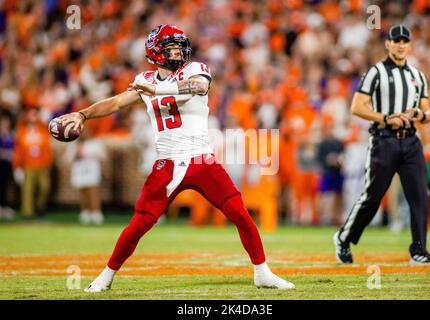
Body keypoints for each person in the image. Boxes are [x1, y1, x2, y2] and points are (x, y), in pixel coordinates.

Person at [59, 24, 294, 292]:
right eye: (171, 48)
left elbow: (200, 87)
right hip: (167, 162)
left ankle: (262, 272)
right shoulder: (144, 81)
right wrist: (83, 114)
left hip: (201, 160)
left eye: (180, 47)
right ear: (155, 52)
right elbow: (114, 103)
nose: (178, 53)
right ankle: (106, 276)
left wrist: (156, 91)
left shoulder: (194, 70)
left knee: (240, 213)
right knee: (139, 224)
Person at [333, 25, 430, 265]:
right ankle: (344, 237)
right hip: (384, 140)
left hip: (411, 140)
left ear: (410, 45)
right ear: (387, 44)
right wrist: (385, 118)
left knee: (420, 194)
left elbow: (427, 111)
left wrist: (419, 116)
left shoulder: (417, 75)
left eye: (405, 41)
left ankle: (419, 250)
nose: (401, 44)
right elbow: (357, 107)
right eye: (396, 40)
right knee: (373, 196)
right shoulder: (376, 72)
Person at [12, 107, 53, 219]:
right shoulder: (22, 131)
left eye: (35, 114)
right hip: (27, 165)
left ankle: (40, 207)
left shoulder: (42, 130)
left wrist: (48, 163)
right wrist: (17, 166)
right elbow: (18, 150)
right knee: (27, 190)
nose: (33, 116)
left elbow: (47, 149)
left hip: (41, 164)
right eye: (31, 114)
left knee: (45, 187)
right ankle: (28, 212)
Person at [64, 127, 106, 225]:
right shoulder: (74, 144)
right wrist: (76, 153)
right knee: (83, 193)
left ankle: (96, 213)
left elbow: (103, 156)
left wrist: (88, 153)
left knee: (93, 192)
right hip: (79, 171)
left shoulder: (95, 143)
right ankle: (85, 213)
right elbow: (67, 159)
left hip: (92, 170)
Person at [0, 112, 15, 220]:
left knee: (6, 185)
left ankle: (5, 207)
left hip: (9, 163)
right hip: (1, 162)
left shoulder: (11, 134)